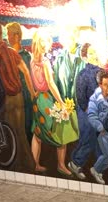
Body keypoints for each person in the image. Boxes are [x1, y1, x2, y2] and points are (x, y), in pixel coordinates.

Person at [0, 20, 36, 173]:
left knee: (11, 134)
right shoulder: (13, 52)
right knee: (20, 132)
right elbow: (26, 72)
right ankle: (29, 165)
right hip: (19, 96)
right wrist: (33, 93)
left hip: (6, 99)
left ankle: (17, 167)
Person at [30, 30, 78, 176]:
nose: (46, 44)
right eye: (43, 41)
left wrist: (34, 93)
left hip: (38, 100)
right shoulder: (44, 62)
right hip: (46, 100)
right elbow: (51, 84)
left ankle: (35, 164)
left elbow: (32, 81)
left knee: (37, 134)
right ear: (38, 43)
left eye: (47, 41)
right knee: (60, 130)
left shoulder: (32, 60)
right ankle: (61, 165)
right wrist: (62, 102)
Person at [68, 43, 102, 181]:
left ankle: (98, 169)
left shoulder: (101, 72)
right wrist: (88, 109)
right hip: (87, 113)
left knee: (100, 140)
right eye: (91, 53)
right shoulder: (83, 74)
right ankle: (75, 163)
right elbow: (80, 96)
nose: (94, 56)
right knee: (88, 139)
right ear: (85, 57)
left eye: (95, 53)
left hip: (100, 111)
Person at [6, 22, 34, 144]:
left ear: (17, 36)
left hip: (25, 95)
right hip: (13, 95)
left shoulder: (25, 56)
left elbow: (29, 77)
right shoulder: (8, 54)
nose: (8, 38)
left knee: (26, 125)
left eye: (9, 34)